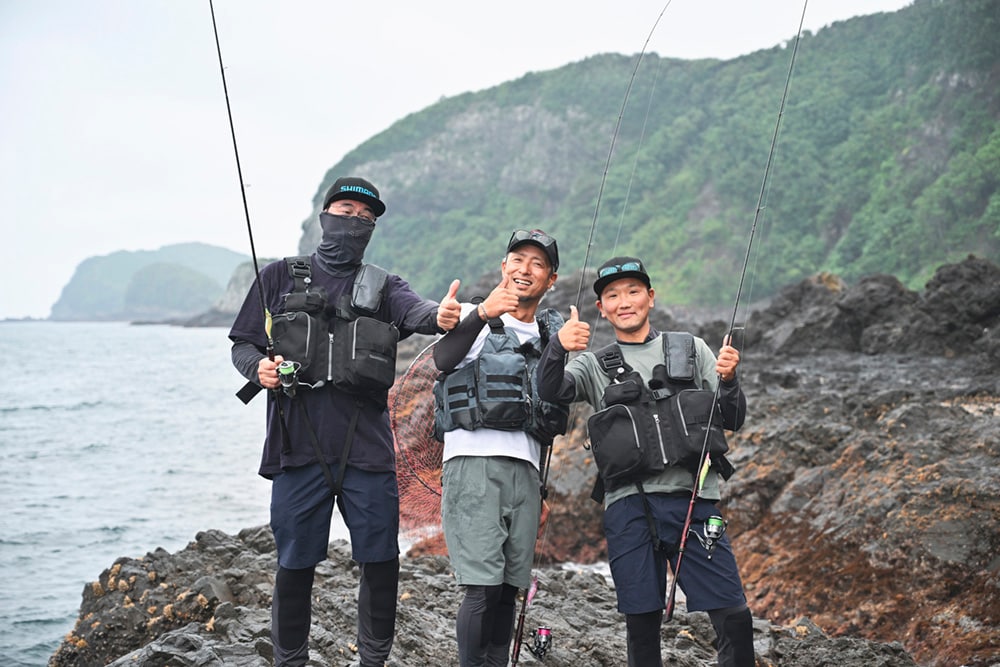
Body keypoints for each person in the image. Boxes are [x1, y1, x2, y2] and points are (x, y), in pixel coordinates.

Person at [228, 176, 462, 667]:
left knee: (380, 561)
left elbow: (418, 313)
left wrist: (441, 316)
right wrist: (260, 368)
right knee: (294, 564)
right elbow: (244, 343)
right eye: (346, 209)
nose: (354, 221)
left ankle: (372, 661)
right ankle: (290, 660)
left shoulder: (385, 287)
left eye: (366, 217)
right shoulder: (277, 276)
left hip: (368, 451)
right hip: (296, 448)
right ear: (325, 214)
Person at [536, 256, 754, 667]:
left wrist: (729, 380)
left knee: (734, 615)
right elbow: (550, 390)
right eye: (612, 296)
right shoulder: (592, 365)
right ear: (601, 308)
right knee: (641, 622)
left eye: (634, 291)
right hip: (628, 509)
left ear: (650, 298)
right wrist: (557, 347)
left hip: (694, 501)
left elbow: (734, 418)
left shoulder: (692, 349)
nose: (624, 302)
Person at [432, 229, 568, 667]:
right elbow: (443, 359)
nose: (525, 269)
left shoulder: (553, 335)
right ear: (503, 267)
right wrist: (479, 313)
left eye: (537, 263)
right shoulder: (474, 315)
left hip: (525, 471)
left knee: (510, 586)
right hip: (474, 464)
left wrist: (566, 351)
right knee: (481, 586)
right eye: (517, 259)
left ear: (551, 279)